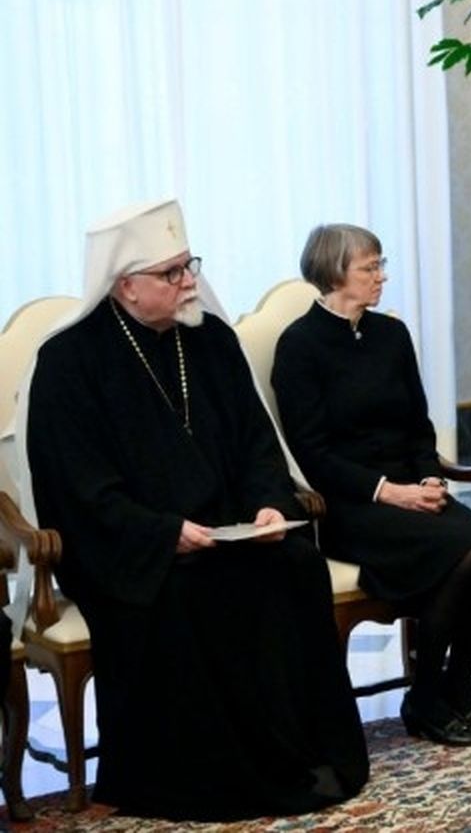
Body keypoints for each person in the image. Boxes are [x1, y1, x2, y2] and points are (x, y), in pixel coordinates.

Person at [18, 199, 369, 820]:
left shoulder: (209, 339)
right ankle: (209, 777)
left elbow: (258, 443)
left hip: (228, 527)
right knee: (193, 596)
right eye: (172, 273)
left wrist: (266, 506)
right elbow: (78, 490)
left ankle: (301, 753)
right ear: (125, 285)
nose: (190, 283)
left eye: (189, 266)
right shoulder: (69, 361)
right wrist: (163, 533)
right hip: (128, 547)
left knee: (295, 566)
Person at [272, 224, 471, 747]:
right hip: (350, 504)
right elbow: (314, 455)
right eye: (370, 268)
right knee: (467, 554)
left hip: (412, 489)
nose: (382, 277)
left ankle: (454, 687)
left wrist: (428, 474)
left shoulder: (391, 335)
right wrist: (389, 491)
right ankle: (425, 696)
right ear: (335, 274)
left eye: (382, 265)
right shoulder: (299, 347)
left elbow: (418, 424)